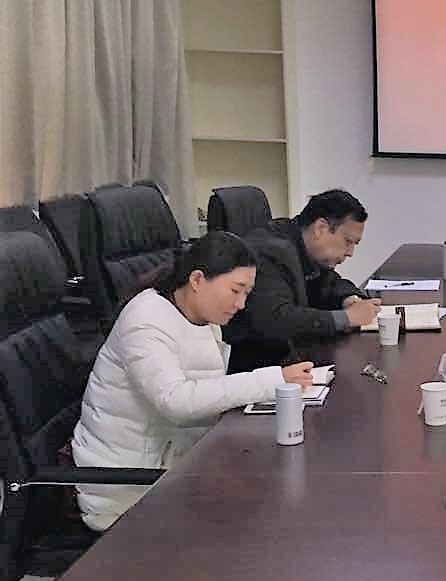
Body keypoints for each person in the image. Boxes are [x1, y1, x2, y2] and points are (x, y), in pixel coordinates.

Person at [72, 232, 314, 532]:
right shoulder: (145, 319)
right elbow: (176, 401)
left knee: (274, 489)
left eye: (247, 293)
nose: (241, 304)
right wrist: (271, 380)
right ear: (197, 279)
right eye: (235, 290)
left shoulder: (199, 315)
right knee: (264, 517)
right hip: (128, 488)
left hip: (174, 463)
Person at [225, 189, 381, 371]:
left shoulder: (301, 244)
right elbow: (276, 318)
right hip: (258, 367)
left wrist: (350, 299)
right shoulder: (270, 251)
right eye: (348, 241)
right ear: (320, 228)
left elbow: (330, 282)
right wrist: (346, 318)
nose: (350, 252)